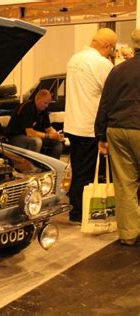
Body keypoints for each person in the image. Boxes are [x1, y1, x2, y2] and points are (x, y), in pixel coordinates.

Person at [64, 28, 117, 224]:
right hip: (89, 126)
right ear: (107, 46)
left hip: (72, 124)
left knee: (79, 170)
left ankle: (75, 210)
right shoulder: (101, 63)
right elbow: (112, 91)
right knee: (88, 174)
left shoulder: (74, 59)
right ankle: (80, 213)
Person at [95, 28, 140, 246]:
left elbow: (105, 103)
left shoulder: (118, 70)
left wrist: (101, 135)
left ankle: (129, 234)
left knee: (125, 184)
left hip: (117, 129)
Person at [6, 89, 64, 159]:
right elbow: (29, 133)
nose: (47, 106)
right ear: (37, 99)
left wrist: (57, 135)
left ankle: (51, 167)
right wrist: (50, 136)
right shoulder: (28, 107)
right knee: (37, 141)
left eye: (48, 103)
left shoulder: (43, 109)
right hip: (15, 137)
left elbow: (48, 128)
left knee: (57, 143)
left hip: (31, 136)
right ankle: (31, 167)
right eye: (45, 103)